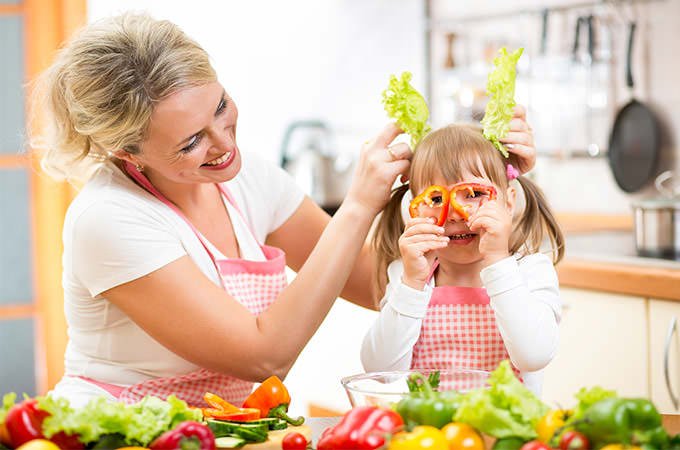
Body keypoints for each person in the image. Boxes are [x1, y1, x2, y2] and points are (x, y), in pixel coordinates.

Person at [33, 12, 538, 407]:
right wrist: (360, 204)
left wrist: (496, 181)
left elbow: (374, 283)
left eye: (221, 107)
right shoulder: (109, 219)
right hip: (123, 430)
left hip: (228, 427)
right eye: (190, 142)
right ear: (129, 153)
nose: (223, 143)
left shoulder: (246, 177)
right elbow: (263, 355)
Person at [361, 123, 564, 396]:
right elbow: (379, 371)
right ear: (415, 209)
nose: (456, 214)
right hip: (430, 437)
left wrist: (498, 260)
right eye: (435, 198)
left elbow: (534, 355)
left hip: (506, 435)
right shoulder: (407, 275)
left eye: (474, 194)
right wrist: (412, 284)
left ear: (508, 202)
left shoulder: (531, 271)